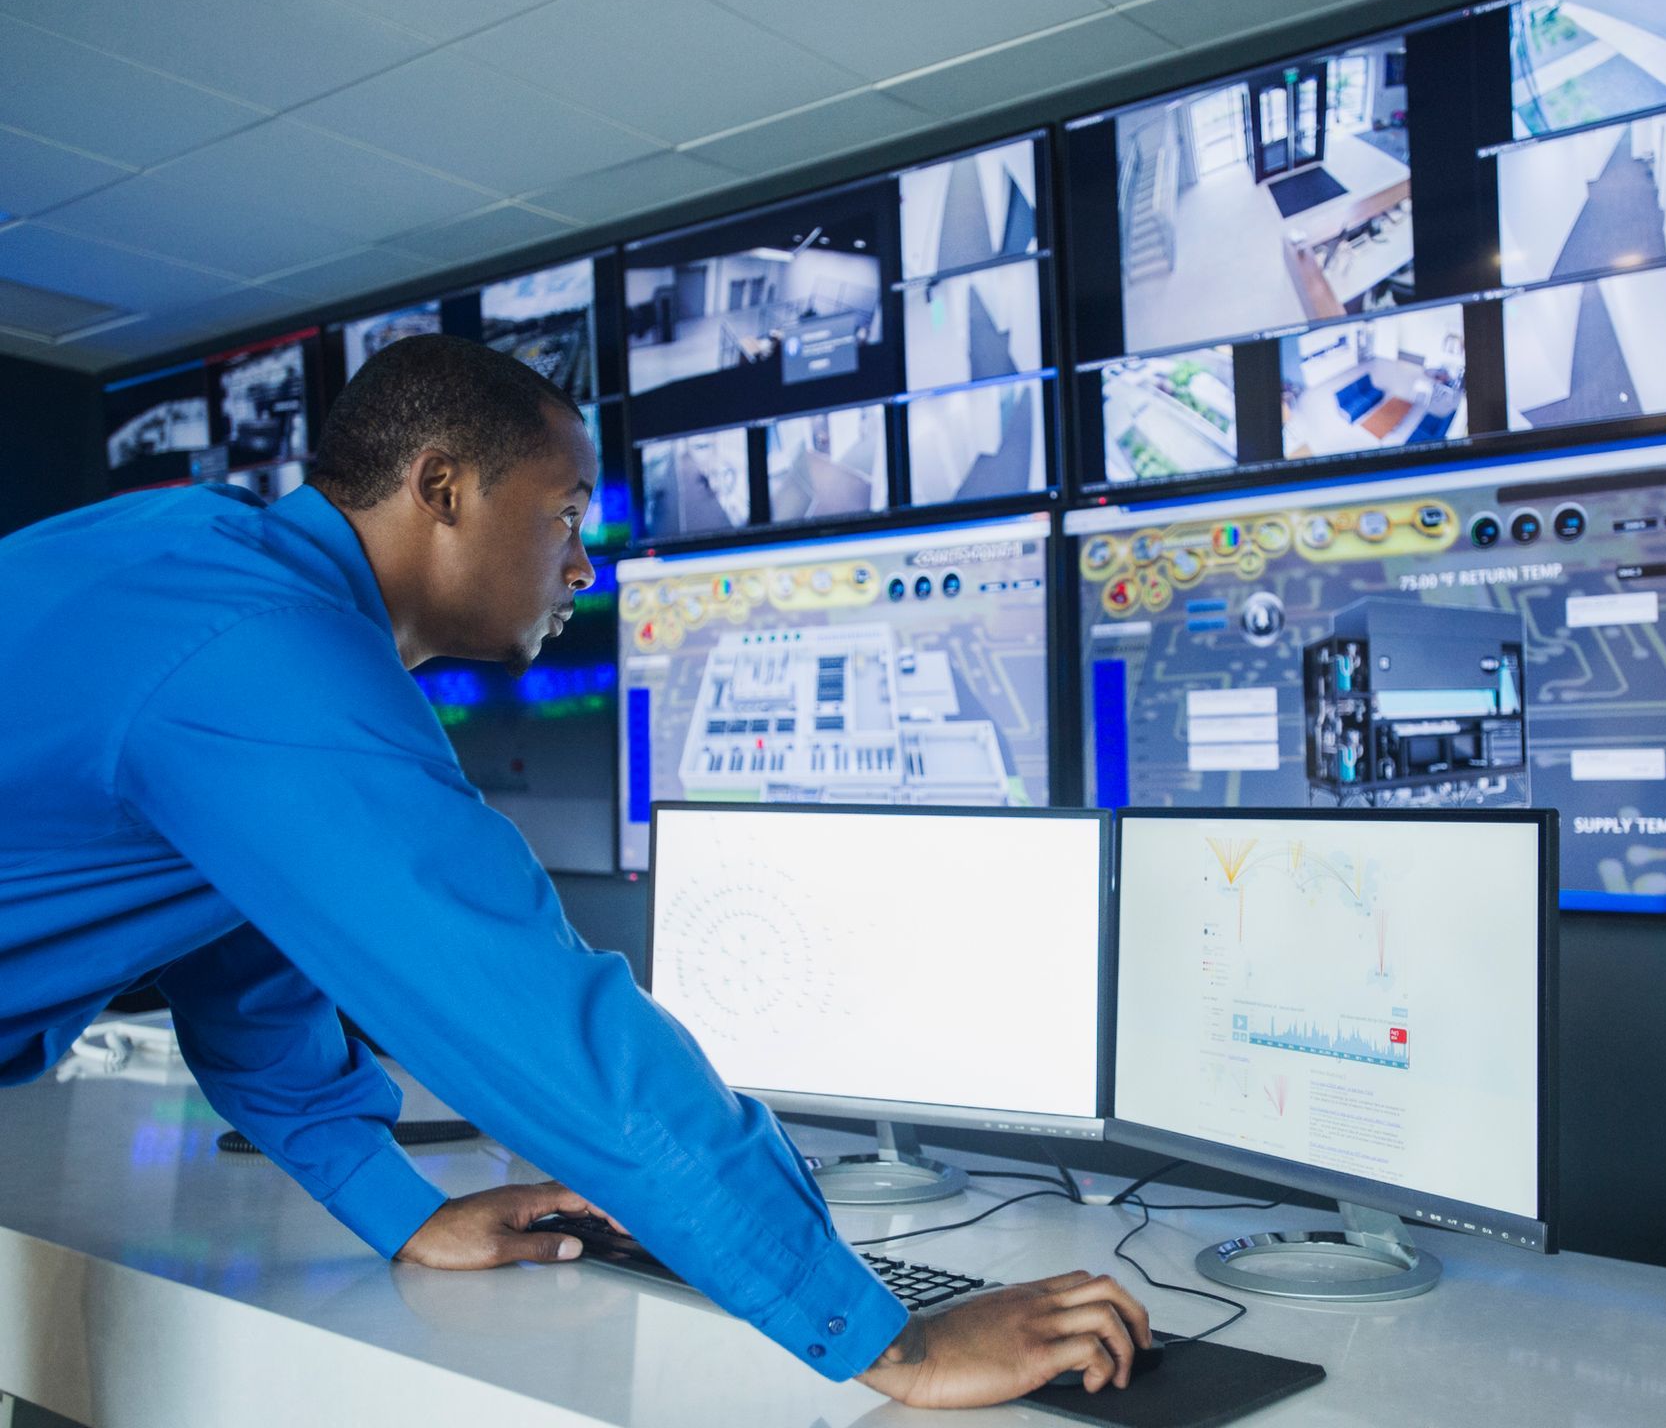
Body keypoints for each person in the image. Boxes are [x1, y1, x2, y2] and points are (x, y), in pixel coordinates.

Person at [0, 336, 1148, 1407]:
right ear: (442, 489)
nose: (585, 569)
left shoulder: (189, 561)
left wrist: (402, 1212)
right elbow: (534, 1015)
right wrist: (887, 1337)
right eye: (565, 518)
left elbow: (250, 976)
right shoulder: (260, 653)